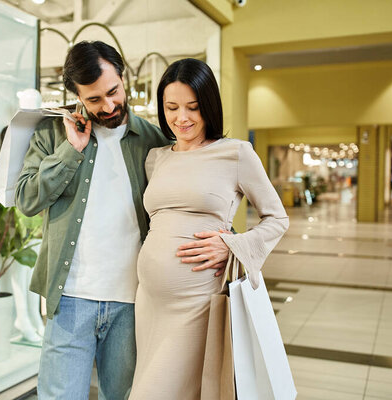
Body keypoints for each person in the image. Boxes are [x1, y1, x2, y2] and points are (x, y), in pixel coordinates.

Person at [16, 42, 229, 399]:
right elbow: (26, 199)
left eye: (113, 92)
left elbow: (204, 201)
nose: (109, 105)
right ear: (77, 95)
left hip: (135, 302)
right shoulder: (53, 134)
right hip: (69, 299)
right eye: (94, 100)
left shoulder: (156, 141)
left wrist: (228, 240)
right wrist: (72, 150)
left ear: (123, 76)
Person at [128, 58, 289, 399]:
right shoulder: (156, 157)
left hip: (196, 302)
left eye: (193, 107)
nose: (181, 118)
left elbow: (277, 218)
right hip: (150, 301)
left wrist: (233, 245)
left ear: (209, 106)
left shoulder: (235, 153)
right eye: (171, 107)